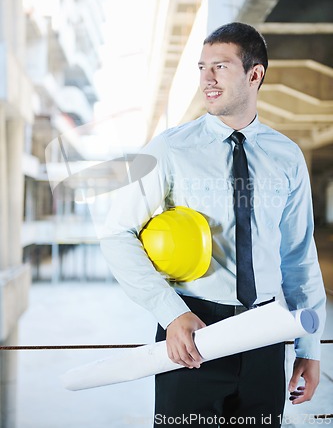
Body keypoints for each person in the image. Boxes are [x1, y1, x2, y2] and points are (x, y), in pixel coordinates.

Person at [100, 22, 326, 427]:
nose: (206, 78)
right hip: (192, 330)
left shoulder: (287, 156)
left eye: (220, 67)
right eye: (202, 67)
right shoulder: (170, 149)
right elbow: (117, 232)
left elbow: (298, 256)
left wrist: (309, 348)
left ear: (254, 74)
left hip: (266, 331)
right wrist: (170, 313)